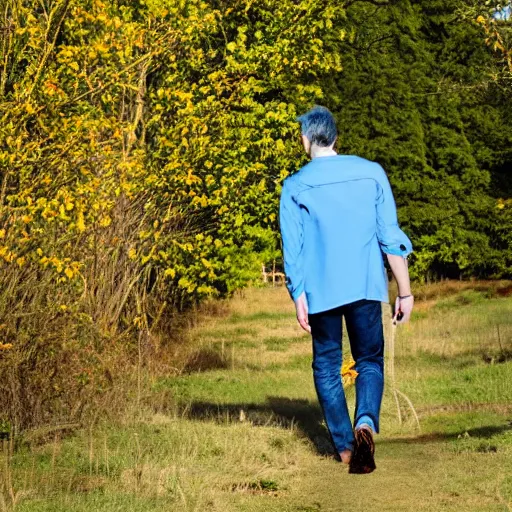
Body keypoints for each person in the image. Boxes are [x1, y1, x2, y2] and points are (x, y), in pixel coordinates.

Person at [279, 105, 414, 474]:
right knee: (369, 360)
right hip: (366, 287)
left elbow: (293, 250)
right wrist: (404, 292)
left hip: (321, 291)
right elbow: (390, 237)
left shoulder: (294, 186)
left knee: (326, 365)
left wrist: (298, 296)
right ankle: (365, 424)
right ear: (336, 138)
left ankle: (344, 448)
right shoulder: (372, 174)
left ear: (305, 140)